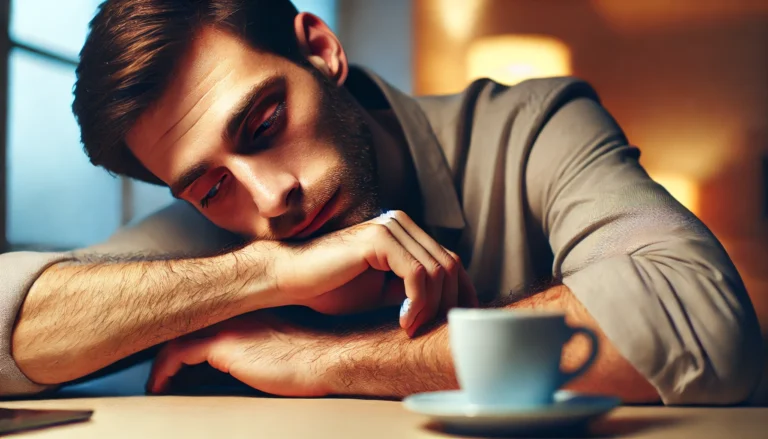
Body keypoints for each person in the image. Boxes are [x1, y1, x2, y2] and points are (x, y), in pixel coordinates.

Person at [1, 0, 762, 404]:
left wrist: (322, 361)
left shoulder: (531, 128)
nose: (272, 199)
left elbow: (700, 322)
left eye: (264, 124)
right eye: (209, 185)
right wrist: (264, 274)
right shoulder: (229, 227)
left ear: (322, 51)